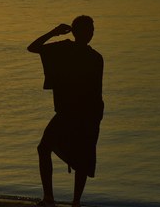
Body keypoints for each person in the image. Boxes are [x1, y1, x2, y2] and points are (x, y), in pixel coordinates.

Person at [27, 16, 104, 207]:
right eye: (89, 29)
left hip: (80, 113)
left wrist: (54, 32)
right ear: (79, 32)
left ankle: (65, 200)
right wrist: (54, 32)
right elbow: (33, 48)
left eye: (92, 29)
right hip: (74, 113)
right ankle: (55, 199)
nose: (92, 33)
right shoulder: (69, 50)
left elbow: (97, 90)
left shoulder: (88, 56)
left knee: (79, 157)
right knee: (51, 150)